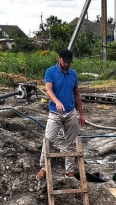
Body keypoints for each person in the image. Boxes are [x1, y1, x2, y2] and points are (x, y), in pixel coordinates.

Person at [36, 49, 85, 181]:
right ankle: (44, 168)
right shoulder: (50, 72)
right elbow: (48, 90)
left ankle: (69, 171)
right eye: (65, 62)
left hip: (70, 113)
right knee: (48, 140)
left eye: (69, 62)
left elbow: (77, 94)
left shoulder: (73, 74)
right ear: (59, 59)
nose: (67, 64)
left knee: (71, 142)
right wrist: (57, 102)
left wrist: (81, 113)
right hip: (55, 113)